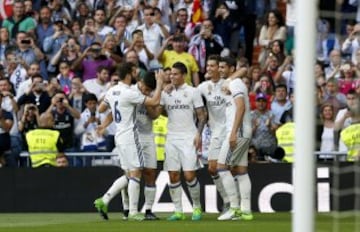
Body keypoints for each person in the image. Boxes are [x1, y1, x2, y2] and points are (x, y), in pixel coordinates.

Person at [94, 62, 163, 221]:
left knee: (135, 173)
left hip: (124, 136)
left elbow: (103, 109)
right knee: (135, 173)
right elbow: (153, 102)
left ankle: (106, 200)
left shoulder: (113, 90)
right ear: (131, 75)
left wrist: (103, 125)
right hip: (132, 136)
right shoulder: (129, 92)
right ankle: (131, 211)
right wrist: (159, 85)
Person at [155, 62, 206, 221]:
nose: (172, 77)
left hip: (189, 137)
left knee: (190, 175)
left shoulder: (193, 92)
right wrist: (161, 91)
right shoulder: (166, 93)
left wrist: (199, 134)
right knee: (173, 175)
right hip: (171, 138)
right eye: (171, 74)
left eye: (175, 74)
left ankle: (197, 207)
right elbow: (159, 112)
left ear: (184, 75)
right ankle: (178, 211)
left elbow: (202, 115)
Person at [216, 57, 253, 221]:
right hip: (243, 131)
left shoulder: (235, 83)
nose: (220, 69)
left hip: (238, 131)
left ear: (231, 68)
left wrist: (233, 132)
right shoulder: (231, 82)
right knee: (241, 170)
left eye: (223, 67)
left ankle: (235, 208)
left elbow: (241, 106)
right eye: (220, 67)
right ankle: (246, 211)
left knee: (221, 167)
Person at [197, 55, 230, 212]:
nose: (209, 68)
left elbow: (243, 70)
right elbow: (190, 94)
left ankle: (235, 202)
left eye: (212, 66)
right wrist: (170, 87)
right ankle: (227, 200)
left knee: (228, 168)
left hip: (230, 130)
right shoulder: (204, 86)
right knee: (212, 168)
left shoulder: (228, 83)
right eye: (207, 66)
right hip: (216, 132)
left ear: (219, 67)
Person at [250, 93, 278, 161]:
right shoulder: (251, 115)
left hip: (270, 147)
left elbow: (276, 133)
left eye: (263, 101)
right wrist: (255, 127)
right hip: (255, 149)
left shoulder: (272, 115)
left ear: (266, 102)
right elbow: (248, 135)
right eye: (258, 101)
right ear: (255, 102)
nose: (261, 103)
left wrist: (269, 126)